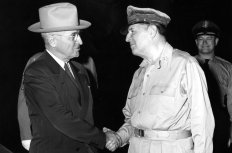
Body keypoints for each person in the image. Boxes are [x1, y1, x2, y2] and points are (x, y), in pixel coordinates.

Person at [104, 5, 215, 153]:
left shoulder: (185, 65)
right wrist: (119, 138)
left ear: (152, 31)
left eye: (132, 31)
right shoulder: (139, 74)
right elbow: (132, 121)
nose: (127, 38)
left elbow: (202, 125)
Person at [22, 2, 114, 153]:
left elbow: (84, 115)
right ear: (52, 40)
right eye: (73, 36)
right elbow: (61, 119)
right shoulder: (36, 72)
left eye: (79, 35)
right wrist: (103, 138)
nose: (81, 41)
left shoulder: (80, 70)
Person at [18, 53, 98, 151]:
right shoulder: (37, 60)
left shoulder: (87, 62)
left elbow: (89, 105)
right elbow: (25, 101)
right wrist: (27, 137)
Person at [192, 20, 232, 153]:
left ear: (216, 42)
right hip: (193, 121)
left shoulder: (228, 67)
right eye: (200, 39)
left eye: (209, 38)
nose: (204, 42)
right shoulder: (186, 64)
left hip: (219, 121)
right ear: (196, 42)